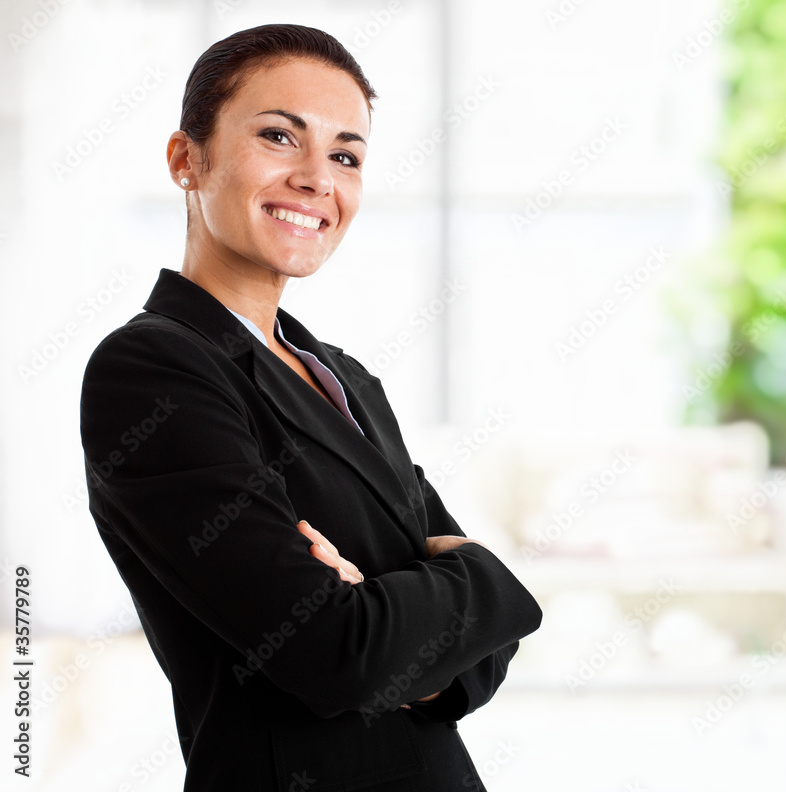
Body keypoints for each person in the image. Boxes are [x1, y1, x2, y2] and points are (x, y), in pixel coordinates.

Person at [79, 23, 542, 792]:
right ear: (187, 159)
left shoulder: (347, 379)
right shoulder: (153, 371)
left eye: (346, 156)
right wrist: (483, 577)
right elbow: (339, 654)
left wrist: (400, 627)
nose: (317, 179)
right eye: (278, 137)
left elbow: (483, 660)